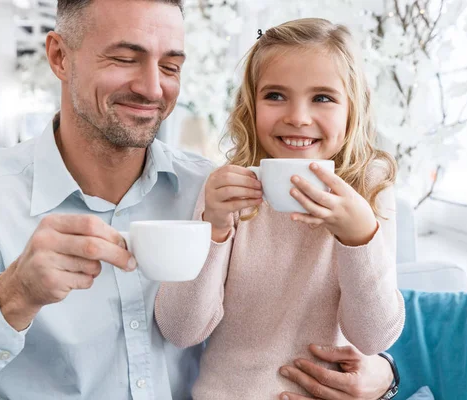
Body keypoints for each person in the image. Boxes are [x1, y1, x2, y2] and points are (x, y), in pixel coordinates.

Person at [0, 1, 397, 399]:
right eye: (125, 59)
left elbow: (358, 318)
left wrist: (387, 376)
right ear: (60, 56)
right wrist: (15, 296)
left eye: (170, 66)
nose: (152, 88)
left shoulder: (212, 186)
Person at [155, 18, 405, 399]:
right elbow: (181, 329)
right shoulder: (228, 191)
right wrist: (214, 227)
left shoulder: (370, 191)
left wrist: (359, 237)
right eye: (275, 96)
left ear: (352, 108)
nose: (298, 117)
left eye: (322, 97)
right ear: (250, 105)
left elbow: (374, 337)